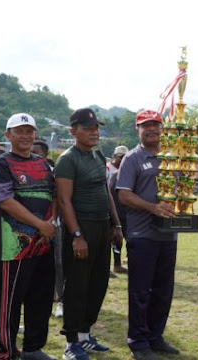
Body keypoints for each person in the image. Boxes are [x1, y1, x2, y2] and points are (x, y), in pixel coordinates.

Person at [0, 113, 57, 360]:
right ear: (8, 135)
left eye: (30, 131)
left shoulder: (43, 163)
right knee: (10, 303)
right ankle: (5, 352)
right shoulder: (1, 164)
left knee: (41, 299)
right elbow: (5, 201)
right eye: (20, 131)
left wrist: (49, 225)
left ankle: (33, 349)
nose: (26, 136)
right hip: (16, 246)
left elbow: (54, 196)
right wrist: (40, 224)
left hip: (45, 243)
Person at [55, 108, 122, 360]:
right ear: (73, 131)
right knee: (77, 286)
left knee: (97, 284)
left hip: (102, 226)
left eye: (96, 128)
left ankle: (85, 336)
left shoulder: (97, 155)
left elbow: (105, 192)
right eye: (87, 128)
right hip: (80, 227)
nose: (94, 132)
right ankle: (71, 342)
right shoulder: (67, 159)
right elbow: (64, 201)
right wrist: (77, 235)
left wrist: (116, 225)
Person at [116, 110, 180, 360]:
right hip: (142, 234)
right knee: (141, 291)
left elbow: (179, 190)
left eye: (156, 125)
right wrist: (152, 207)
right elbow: (123, 194)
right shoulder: (132, 158)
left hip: (169, 234)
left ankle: (156, 336)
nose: (152, 129)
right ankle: (138, 342)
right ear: (137, 130)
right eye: (146, 126)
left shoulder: (172, 157)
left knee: (164, 290)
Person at [32, 140, 64, 317]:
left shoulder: (52, 174)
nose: (33, 155)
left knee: (58, 264)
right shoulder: (19, 172)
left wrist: (53, 220)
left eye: (36, 152)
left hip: (54, 225)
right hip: (29, 227)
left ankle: (61, 300)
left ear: (45, 155)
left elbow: (58, 198)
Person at [107, 145, 129, 274]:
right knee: (111, 240)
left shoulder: (126, 171)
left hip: (125, 211)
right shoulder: (109, 169)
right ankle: (112, 265)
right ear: (115, 156)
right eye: (121, 157)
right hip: (113, 211)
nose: (123, 159)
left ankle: (119, 264)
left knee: (125, 239)